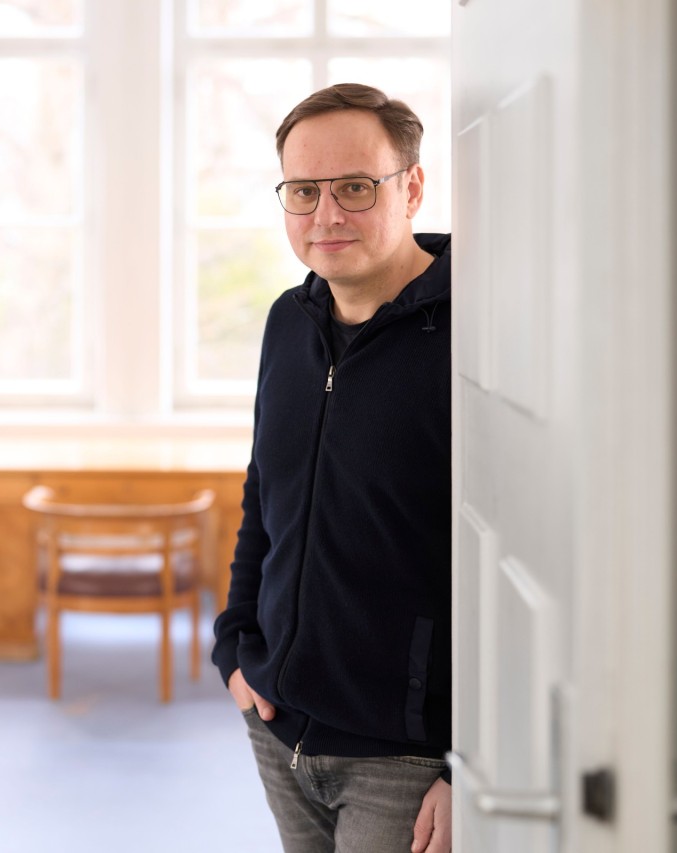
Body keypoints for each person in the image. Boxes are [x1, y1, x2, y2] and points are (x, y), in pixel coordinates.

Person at [212, 83, 453, 853]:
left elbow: (517, 557)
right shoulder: (289, 322)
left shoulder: (477, 335)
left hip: (404, 757)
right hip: (278, 726)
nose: (327, 215)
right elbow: (265, 493)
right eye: (304, 191)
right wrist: (234, 646)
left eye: (355, 187)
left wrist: (469, 756)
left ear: (411, 186)